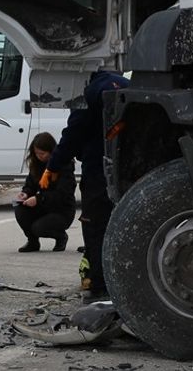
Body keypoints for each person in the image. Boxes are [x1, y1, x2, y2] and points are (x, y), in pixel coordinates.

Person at [42, 70, 130, 297]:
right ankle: (125, 283)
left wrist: (52, 166)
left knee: (96, 228)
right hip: (131, 170)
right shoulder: (125, 84)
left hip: (98, 173)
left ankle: (100, 286)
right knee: (124, 227)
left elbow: (73, 134)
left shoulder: (87, 92)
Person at [15, 132, 76, 252]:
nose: (39, 156)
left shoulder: (64, 166)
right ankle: (32, 242)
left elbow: (62, 195)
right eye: (36, 153)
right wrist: (25, 193)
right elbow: (30, 185)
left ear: (51, 151)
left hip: (61, 210)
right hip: (42, 207)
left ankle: (61, 237)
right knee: (20, 209)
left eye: (42, 153)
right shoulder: (36, 165)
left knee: (39, 228)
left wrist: (39, 199)